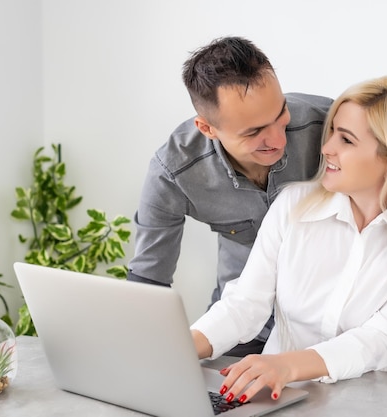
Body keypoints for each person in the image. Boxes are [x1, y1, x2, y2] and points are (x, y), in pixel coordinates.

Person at [191, 75, 387, 404]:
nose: (326, 148)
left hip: (366, 405)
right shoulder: (293, 205)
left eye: (345, 140)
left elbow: (379, 340)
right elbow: (245, 305)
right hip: (274, 399)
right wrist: (181, 347)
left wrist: (287, 365)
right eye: (332, 130)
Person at [126, 36, 332, 356]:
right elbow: (148, 281)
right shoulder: (174, 172)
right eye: (254, 132)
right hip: (238, 329)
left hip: (326, 329)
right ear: (207, 128)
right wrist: (145, 357)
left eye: (281, 115)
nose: (277, 139)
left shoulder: (332, 124)